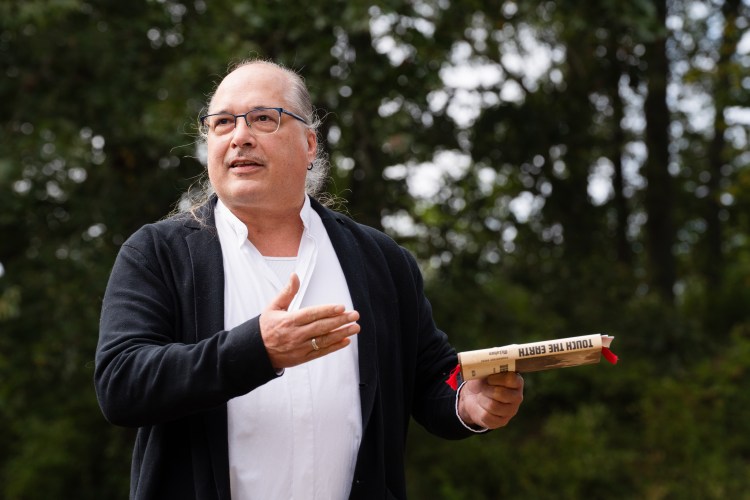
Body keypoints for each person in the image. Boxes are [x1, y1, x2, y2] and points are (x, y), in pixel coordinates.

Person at [95, 59, 524, 500]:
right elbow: (121, 384)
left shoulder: (382, 261)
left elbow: (433, 378)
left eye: (263, 118)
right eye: (222, 122)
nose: (240, 136)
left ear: (310, 144)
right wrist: (257, 350)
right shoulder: (157, 253)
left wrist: (466, 402)